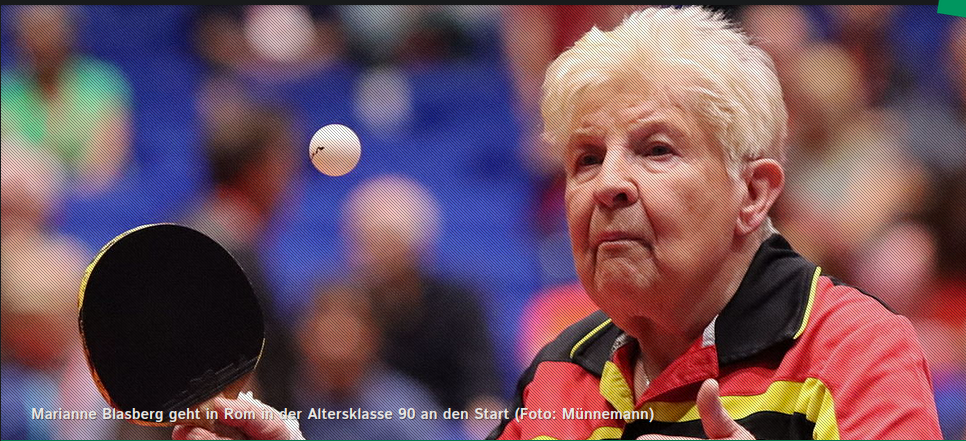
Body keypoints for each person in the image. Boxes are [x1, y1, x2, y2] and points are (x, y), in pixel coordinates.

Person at [173, 6, 943, 440]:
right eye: (583, 159)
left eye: (656, 149)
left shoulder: (853, 352)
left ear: (754, 194)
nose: (606, 183)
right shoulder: (559, 376)